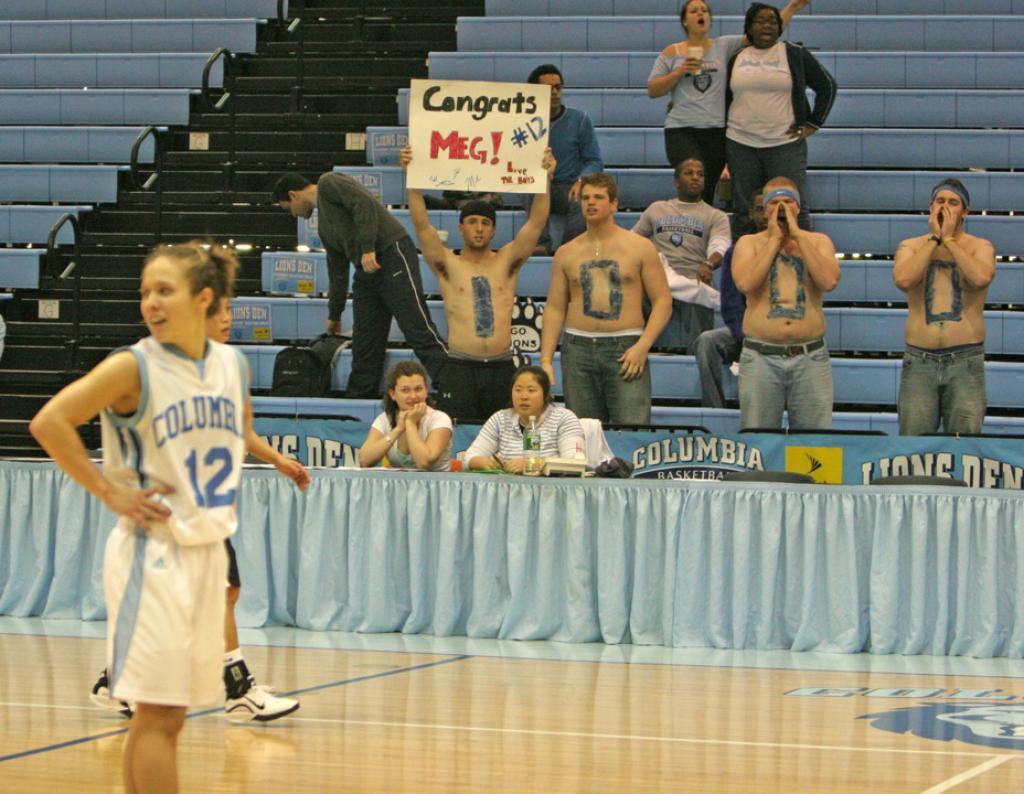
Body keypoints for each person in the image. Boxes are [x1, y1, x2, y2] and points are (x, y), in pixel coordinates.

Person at [29, 242, 249, 794]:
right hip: (152, 556)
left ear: (204, 299)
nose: (150, 302)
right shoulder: (133, 365)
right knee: (156, 715)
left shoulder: (232, 365)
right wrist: (109, 490)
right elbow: (50, 422)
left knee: (170, 718)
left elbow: (231, 435)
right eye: (145, 292)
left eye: (164, 290)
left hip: (205, 552)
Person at [90, 295, 307, 724]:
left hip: (204, 504)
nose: (227, 319)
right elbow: (58, 422)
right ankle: (236, 689)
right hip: (170, 508)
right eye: (217, 312)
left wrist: (276, 459)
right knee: (209, 595)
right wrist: (113, 489)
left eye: (229, 310)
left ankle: (117, 678)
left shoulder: (222, 367)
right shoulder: (146, 367)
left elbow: (238, 430)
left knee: (220, 593)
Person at [401, 145, 555, 423]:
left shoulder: (506, 262)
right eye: (472, 222)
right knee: (458, 441)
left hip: (501, 366)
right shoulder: (449, 264)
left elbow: (536, 222)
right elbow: (422, 225)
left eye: (486, 223)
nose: (480, 228)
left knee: (504, 441)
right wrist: (411, 179)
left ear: (494, 229)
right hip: (460, 366)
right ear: (461, 228)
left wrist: (545, 179)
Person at [271, 171, 448, 397]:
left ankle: (454, 387)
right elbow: (337, 272)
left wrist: (367, 248)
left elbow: (364, 204)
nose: (293, 215)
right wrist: (334, 315)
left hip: (391, 252)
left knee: (417, 329)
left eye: (288, 209)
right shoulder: (325, 227)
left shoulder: (328, 182)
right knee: (365, 343)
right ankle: (358, 401)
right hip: (367, 267)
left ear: (293, 195)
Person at [539, 173, 671, 426]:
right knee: (582, 434)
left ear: (614, 204)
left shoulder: (640, 247)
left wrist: (643, 345)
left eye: (599, 197)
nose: (591, 202)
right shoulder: (566, 252)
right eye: (586, 197)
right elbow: (555, 308)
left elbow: (663, 301)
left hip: (626, 347)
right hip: (578, 349)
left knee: (632, 431)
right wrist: (546, 359)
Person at [646, 0, 808, 204]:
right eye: (694, 11)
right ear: (685, 21)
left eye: (704, 10)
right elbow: (653, 90)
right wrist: (679, 72)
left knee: (707, 187)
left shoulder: (724, 46)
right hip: (682, 127)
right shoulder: (672, 52)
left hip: (716, 129)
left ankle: (703, 229)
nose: (700, 13)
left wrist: (791, 8)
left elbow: (765, 33)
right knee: (692, 175)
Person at [731, 177, 840, 430]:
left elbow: (828, 281)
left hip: (810, 356)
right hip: (761, 357)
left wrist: (798, 236)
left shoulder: (818, 242)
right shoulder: (749, 243)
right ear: (764, 209)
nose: (781, 208)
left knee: (815, 444)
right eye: (775, 202)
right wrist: (774, 241)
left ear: (798, 208)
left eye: (788, 202)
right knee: (758, 440)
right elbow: (746, 283)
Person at [892, 178, 996, 435]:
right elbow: (904, 280)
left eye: (953, 203)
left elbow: (980, 277)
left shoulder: (980, 246)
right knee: (913, 446)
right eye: (940, 201)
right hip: (920, 360)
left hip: (965, 360)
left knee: (965, 444)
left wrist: (949, 241)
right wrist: (934, 240)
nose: (945, 208)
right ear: (930, 207)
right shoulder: (911, 246)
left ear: (965, 212)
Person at [725, 2, 836, 237]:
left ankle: (802, 263)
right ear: (749, 28)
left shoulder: (794, 53)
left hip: (784, 145)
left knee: (795, 207)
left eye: (772, 21)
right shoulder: (736, 57)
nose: (767, 25)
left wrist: (813, 123)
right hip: (740, 144)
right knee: (744, 211)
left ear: (780, 27)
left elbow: (827, 86)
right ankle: (744, 265)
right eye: (760, 21)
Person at [631, 157, 732, 351]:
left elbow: (720, 245)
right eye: (689, 173)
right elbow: (632, 240)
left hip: (693, 278)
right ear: (676, 181)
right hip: (658, 279)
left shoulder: (715, 216)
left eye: (700, 174)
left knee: (700, 294)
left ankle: (696, 355)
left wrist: (709, 264)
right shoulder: (657, 208)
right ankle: (641, 350)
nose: (695, 178)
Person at [692, 188, 766, 407]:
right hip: (744, 330)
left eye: (768, 209)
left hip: (776, 333)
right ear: (752, 213)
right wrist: (744, 335)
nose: (765, 215)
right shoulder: (738, 251)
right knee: (706, 341)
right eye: (759, 209)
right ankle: (715, 410)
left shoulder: (792, 249)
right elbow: (730, 303)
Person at [526, 64, 604, 254]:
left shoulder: (580, 120)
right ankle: (541, 245)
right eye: (548, 88)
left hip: (569, 186)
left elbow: (594, 161)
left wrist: (581, 180)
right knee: (530, 187)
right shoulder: (523, 121)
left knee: (581, 198)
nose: (554, 93)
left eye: (558, 87)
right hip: (539, 184)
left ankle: (568, 250)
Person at [464, 365, 584, 473]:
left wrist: (534, 465)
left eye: (531, 390)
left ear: (546, 394)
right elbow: (468, 458)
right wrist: (485, 463)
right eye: (518, 390)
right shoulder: (500, 419)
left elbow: (575, 463)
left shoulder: (564, 418)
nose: (524, 396)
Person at [358, 360, 453, 471]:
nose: (413, 396)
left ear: (426, 391)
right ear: (393, 394)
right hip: (399, 486)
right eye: (405, 390)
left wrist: (410, 423)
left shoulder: (439, 419)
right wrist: (397, 429)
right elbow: (364, 460)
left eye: (418, 389)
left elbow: (424, 463)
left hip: (435, 485)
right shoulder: (384, 419)